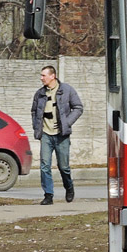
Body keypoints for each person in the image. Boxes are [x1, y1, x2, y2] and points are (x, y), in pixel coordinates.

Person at [31, 64, 84, 205]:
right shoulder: (40, 93)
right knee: (44, 166)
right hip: (46, 134)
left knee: (64, 167)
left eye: (44, 75)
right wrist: (37, 128)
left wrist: (66, 122)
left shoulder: (67, 90)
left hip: (61, 135)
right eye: (41, 75)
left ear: (52, 76)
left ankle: (69, 187)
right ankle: (48, 195)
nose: (41, 78)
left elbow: (78, 108)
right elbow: (34, 111)